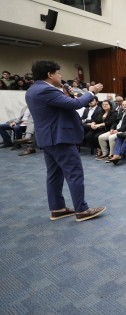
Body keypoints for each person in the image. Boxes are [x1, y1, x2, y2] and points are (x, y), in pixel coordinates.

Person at [25, 60, 106, 222]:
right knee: (74, 173)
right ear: (50, 74)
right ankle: (82, 210)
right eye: (58, 73)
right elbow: (77, 104)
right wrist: (91, 92)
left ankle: (58, 209)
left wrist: (66, 96)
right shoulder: (46, 90)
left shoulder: (33, 90)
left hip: (48, 138)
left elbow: (60, 108)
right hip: (59, 138)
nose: (60, 76)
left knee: (54, 175)